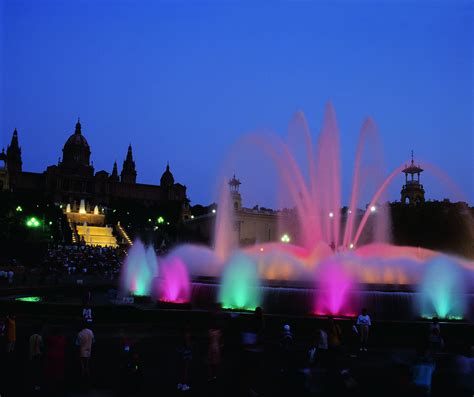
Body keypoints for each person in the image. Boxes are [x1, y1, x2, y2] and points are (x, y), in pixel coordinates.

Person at [44, 326, 67, 392]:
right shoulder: (63, 338)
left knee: (51, 372)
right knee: (59, 372)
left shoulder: (50, 338)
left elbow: (46, 344)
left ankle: (51, 387)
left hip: (52, 356)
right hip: (60, 356)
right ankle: (58, 387)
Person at [177, 325, 193, 392]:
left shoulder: (182, 337)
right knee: (185, 370)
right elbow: (188, 346)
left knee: (182, 369)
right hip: (186, 355)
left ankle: (181, 384)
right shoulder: (187, 336)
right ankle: (184, 384)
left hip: (183, 354)